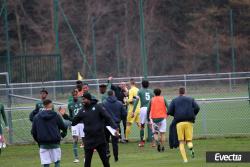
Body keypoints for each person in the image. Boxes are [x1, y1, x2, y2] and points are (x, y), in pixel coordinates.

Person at [66, 93, 119, 167]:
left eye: (84, 99)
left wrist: (115, 127)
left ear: (89, 99)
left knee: (105, 161)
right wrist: (65, 116)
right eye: (82, 99)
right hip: (88, 140)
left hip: (100, 139)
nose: (82, 101)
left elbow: (108, 118)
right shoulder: (82, 111)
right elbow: (74, 122)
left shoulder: (98, 107)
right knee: (87, 162)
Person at [31, 99, 68, 167]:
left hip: (43, 143)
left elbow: (33, 132)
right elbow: (63, 127)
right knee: (57, 162)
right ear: (51, 105)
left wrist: (39, 141)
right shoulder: (56, 115)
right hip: (55, 142)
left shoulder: (37, 117)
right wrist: (61, 135)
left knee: (46, 163)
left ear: (44, 105)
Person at [168, 87, 200, 163]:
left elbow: (169, 111)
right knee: (189, 140)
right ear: (185, 92)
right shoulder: (191, 99)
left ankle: (185, 160)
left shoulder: (174, 100)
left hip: (179, 122)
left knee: (181, 142)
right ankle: (191, 151)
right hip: (189, 122)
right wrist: (193, 114)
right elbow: (197, 108)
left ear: (178, 92)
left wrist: (175, 114)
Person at [103, 90, 126, 162]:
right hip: (115, 125)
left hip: (106, 125)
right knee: (115, 143)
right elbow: (124, 114)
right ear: (114, 94)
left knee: (106, 141)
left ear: (108, 95)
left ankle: (107, 152)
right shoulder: (119, 103)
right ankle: (116, 157)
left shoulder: (104, 103)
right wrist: (119, 119)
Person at [132, 80, 154, 147]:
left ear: (142, 85)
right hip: (150, 109)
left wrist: (133, 111)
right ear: (148, 85)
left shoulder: (140, 91)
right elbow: (153, 101)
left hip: (143, 109)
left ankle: (142, 142)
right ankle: (153, 142)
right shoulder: (151, 91)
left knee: (142, 125)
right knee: (151, 125)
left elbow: (136, 101)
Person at [68, 89, 84, 163]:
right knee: (75, 140)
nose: (75, 96)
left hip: (82, 123)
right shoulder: (70, 104)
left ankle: (85, 157)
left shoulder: (82, 102)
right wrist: (70, 124)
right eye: (73, 95)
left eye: (76, 94)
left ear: (78, 95)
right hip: (74, 124)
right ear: (72, 96)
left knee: (84, 140)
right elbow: (70, 116)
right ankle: (76, 158)